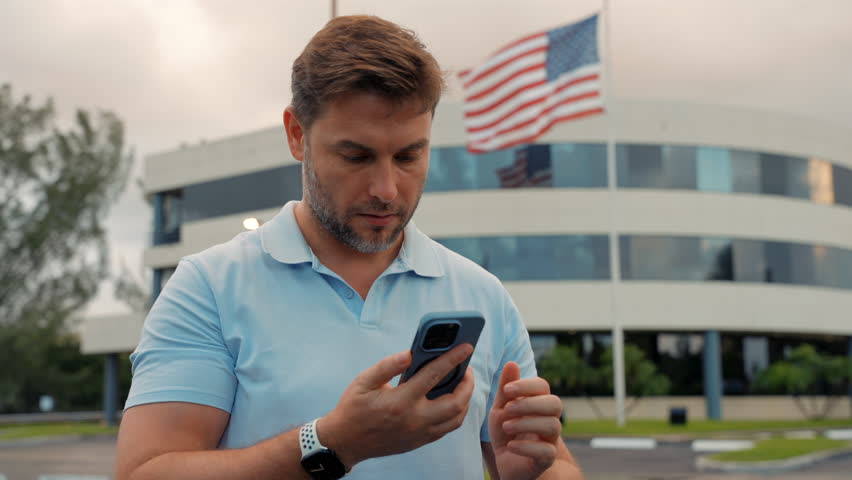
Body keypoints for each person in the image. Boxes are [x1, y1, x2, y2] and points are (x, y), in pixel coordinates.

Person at [116, 14, 583, 480]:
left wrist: (527, 471)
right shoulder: (209, 288)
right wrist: (333, 443)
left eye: (408, 156)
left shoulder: (482, 295)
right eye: (356, 156)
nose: (386, 188)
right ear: (297, 135)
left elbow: (553, 466)